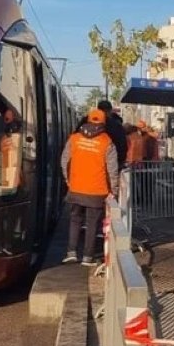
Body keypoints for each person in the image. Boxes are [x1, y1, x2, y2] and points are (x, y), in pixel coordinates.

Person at [61, 108, 118, 266]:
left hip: (76, 188)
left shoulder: (74, 138)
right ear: (103, 123)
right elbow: (112, 170)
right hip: (97, 191)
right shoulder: (107, 142)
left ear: (88, 120)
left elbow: (64, 161)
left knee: (75, 220)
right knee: (92, 223)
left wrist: (69, 181)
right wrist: (114, 190)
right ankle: (87, 257)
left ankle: (71, 253)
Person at [97, 100, 128, 173]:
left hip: (94, 163)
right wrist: (120, 162)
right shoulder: (116, 126)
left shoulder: (88, 124)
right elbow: (123, 146)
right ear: (110, 110)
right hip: (112, 163)